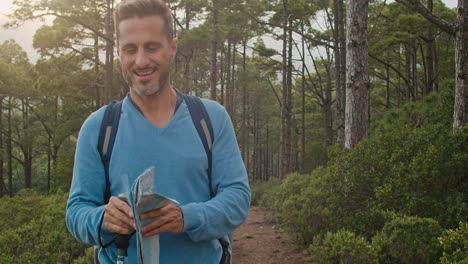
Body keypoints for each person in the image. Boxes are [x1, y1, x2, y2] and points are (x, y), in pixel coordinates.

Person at [65, 0, 251, 263]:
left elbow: (238, 199)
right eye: (130, 49)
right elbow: (76, 212)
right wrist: (103, 218)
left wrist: (186, 218)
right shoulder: (99, 128)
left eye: (152, 47)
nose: (141, 61)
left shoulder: (211, 119)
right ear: (119, 52)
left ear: (172, 48)